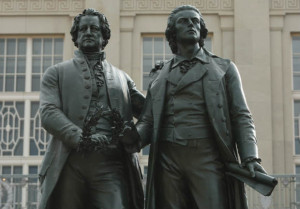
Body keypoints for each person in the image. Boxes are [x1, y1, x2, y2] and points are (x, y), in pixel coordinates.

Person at [130, 5, 268, 209]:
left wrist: (250, 155)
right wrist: (132, 138)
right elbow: (148, 120)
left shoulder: (223, 68)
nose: (191, 24)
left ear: (202, 30)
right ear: (172, 32)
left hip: (207, 156)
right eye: (184, 21)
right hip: (168, 158)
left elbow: (241, 115)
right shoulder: (159, 76)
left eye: (195, 21)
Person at [38, 8, 145, 209]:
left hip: (112, 165)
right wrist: (81, 137)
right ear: (76, 37)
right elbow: (49, 113)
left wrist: (135, 135)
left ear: (104, 37)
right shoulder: (56, 73)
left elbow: (149, 113)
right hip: (70, 163)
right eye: (83, 29)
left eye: (94, 28)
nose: (88, 32)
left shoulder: (123, 78)